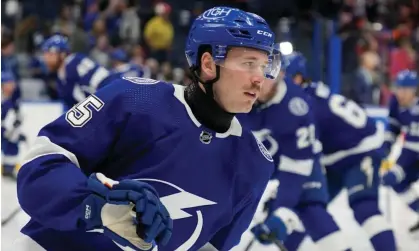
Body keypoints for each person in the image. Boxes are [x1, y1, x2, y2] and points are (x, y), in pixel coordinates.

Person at [16, 6, 281, 251]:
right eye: (248, 63)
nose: (260, 78)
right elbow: (38, 169)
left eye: (265, 65)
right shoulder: (134, 99)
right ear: (209, 64)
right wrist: (98, 208)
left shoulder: (255, 163)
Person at [286, 52, 397, 251]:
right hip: (336, 158)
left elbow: (305, 154)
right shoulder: (305, 96)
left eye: (281, 75)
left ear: (297, 77)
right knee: (309, 207)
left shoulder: (302, 104)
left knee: (365, 207)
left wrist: (288, 188)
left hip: (361, 152)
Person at [239, 74, 348, 251]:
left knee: (310, 210)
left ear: (279, 75)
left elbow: (297, 167)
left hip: (301, 166)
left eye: (266, 73)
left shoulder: (295, 105)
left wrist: (281, 210)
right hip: (263, 168)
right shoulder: (233, 94)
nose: (257, 81)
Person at [381, 69, 419, 234]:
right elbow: (394, 127)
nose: (400, 93)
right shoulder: (396, 103)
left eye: (405, 89)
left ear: (415, 90)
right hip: (414, 155)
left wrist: (398, 168)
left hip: (414, 153)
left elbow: (413, 146)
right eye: (398, 88)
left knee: (397, 176)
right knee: (399, 183)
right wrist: (385, 146)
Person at [40, 34, 118, 110]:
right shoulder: (61, 77)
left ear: (62, 54)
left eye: (50, 55)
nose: (46, 59)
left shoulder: (74, 62)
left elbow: (104, 83)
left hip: (115, 98)